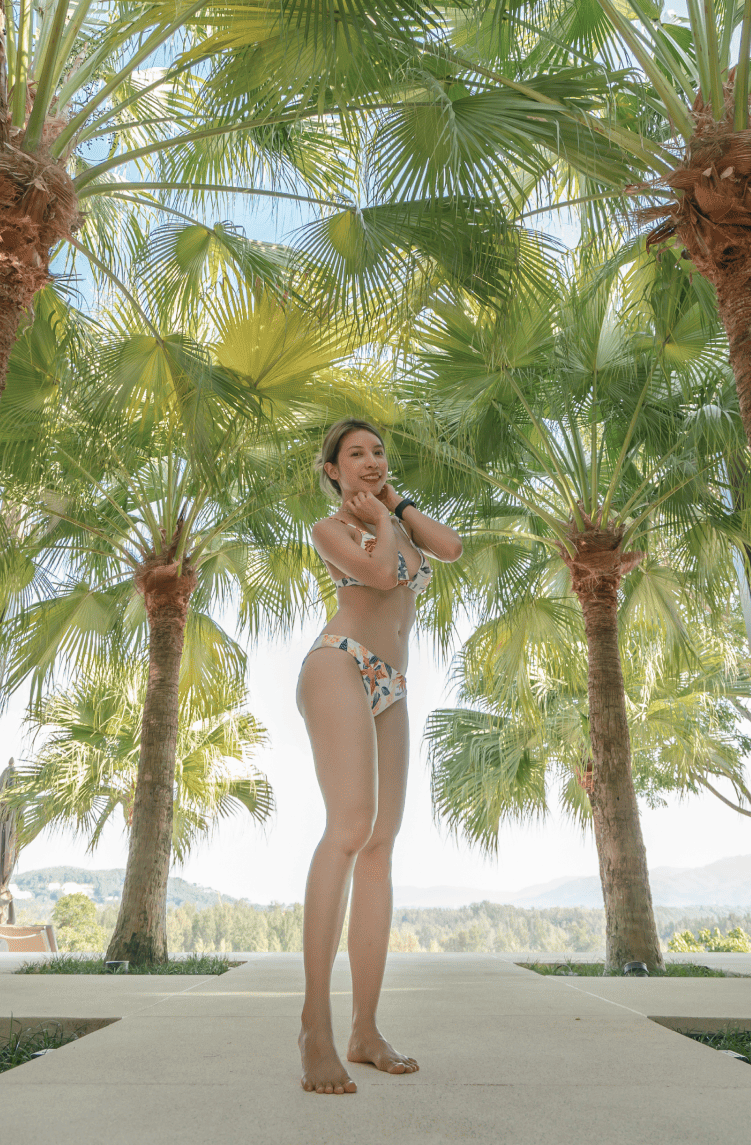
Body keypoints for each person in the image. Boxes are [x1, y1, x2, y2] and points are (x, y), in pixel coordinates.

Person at [296, 419, 463, 1095]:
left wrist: (396, 505)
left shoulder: (396, 518)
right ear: (332, 470)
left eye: (378, 452)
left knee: (381, 843)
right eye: (355, 454)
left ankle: (364, 1030)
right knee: (349, 827)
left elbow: (449, 547)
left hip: (391, 684)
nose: (370, 461)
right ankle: (315, 1025)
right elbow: (380, 573)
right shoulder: (329, 528)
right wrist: (385, 522)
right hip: (339, 663)